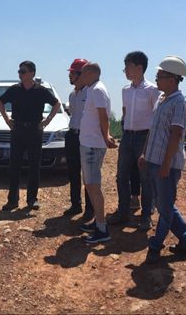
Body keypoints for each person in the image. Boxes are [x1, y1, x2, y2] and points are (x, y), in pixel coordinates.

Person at [141, 56, 186, 263]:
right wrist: (144, 153)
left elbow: (176, 135)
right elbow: (153, 130)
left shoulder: (179, 103)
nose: (157, 79)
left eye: (160, 76)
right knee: (164, 205)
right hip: (154, 160)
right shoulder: (161, 99)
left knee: (165, 209)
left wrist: (166, 164)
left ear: (173, 79)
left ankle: (156, 245)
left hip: (167, 164)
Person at [107, 51, 160, 231]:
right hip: (128, 137)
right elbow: (125, 112)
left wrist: (150, 142)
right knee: (122, 175)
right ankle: (123, 212)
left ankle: (146, 215)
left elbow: (156, 118)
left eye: (128, 66)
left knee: (146, 177)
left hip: (144, 137)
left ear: (139, 67)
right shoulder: (126, 90)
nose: (125, 70)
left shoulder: (152, 90)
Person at [0, 61, 61, 211]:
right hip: (18, 129)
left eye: (23, 71)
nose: (20, 74)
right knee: (14, 165)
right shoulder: (14, 89)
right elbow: (0, 102)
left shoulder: (41, 90)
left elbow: (56, 104)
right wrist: (7, 120)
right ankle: (12, 200)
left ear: (32, 73)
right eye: (19, 71)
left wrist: (47, 121)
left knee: (34, 166)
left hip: (34, 130)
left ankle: (32, 200)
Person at [77, 62, 118, 244]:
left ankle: (102, 229)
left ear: (90, 73)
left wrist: (106, 136)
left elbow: (103, 116)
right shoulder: (94, 89)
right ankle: (98, 222)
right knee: (90, 185)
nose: (80, 77)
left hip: (93, 145)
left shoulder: (97, 90)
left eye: (83, 73)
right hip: (89, 144)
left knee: (93, 186)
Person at [62, 58, 94, 219]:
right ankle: (76, 205)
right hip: (72, 136)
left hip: (85, 137)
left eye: (73, 73)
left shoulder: (91, 93)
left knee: (88, 175)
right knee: (73, 173)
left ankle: (90, 209)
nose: (70, 76)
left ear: (81, 74)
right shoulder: (72, 94)